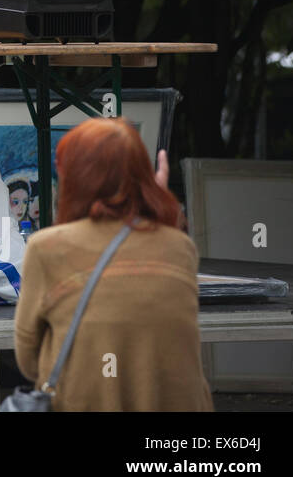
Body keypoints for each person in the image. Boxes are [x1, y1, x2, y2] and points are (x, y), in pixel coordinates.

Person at [13, 118, 213, 411]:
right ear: (142, 176)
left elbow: (28, 361)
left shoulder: (46, 247)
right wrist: (160, 208)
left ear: (74, 178)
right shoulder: (179, 246)